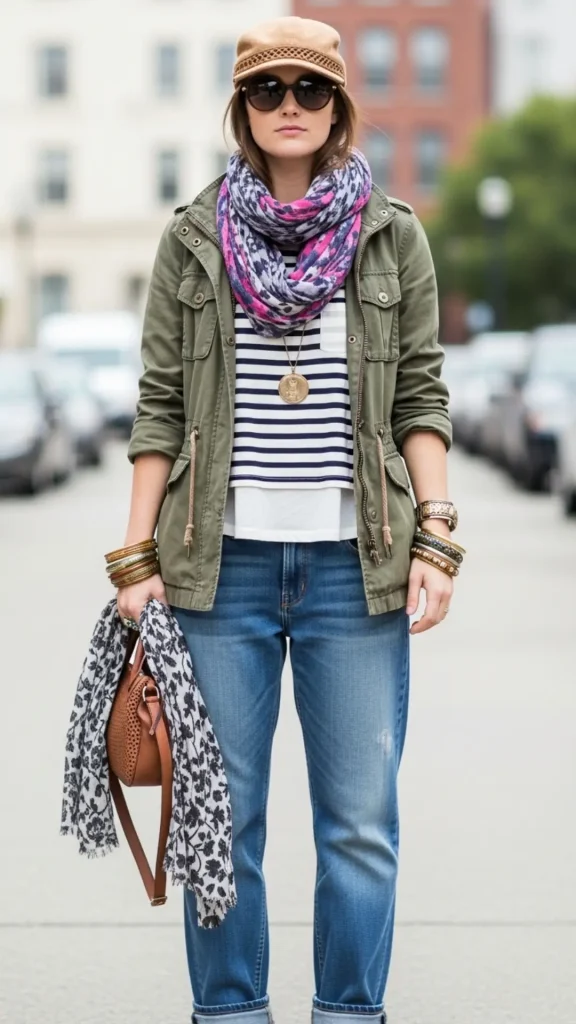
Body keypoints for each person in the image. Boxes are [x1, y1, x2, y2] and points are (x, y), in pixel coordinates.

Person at [111, 15, 465, 1024]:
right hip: (217, 569)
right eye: (268, 91)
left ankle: (348, 1014)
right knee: (222, 824)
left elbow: (420, 396)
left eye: (310, 89)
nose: (290, 107)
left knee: (359, 826)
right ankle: (231, 1013)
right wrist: (134, 556)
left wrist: (438, 532)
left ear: (338, 105)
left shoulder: (391, 235)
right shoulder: (193, 238)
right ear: (244, 110)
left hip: (357, 568)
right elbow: (160, 404)